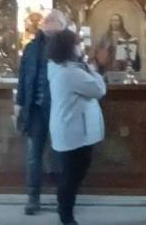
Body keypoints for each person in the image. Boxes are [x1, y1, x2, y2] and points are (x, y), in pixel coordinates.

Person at [47, 28, 105, 225]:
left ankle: (64, 210)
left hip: (70, 128)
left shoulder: (58, 67)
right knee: (72, 175)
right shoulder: (72, 72)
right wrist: (92, 70)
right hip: (75, 131)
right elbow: (99, 90)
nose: (80, 48)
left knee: (71, 173)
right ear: (69, 48)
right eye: (77, 44)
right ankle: (66, 216)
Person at [16, 10, 69, 214]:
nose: (49, 23)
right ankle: (33, 197)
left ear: (62, 26)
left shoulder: (67, 47)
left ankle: (64, 198)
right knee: (33, 155)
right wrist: (20, 103)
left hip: (60, 108)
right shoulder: (31, 47)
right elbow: (24, 76)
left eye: (54, 21)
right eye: (48, 21)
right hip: (35, 108)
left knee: (62, 155)